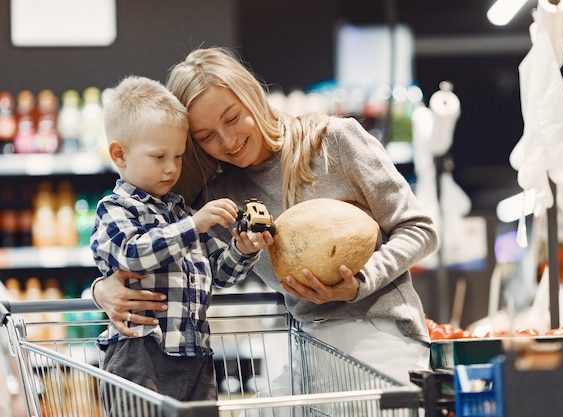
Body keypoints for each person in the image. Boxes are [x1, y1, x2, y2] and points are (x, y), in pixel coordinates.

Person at [92, 47, 438, 385]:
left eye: (232, 118)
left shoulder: (335, 141)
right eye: (206, 136)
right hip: (308, 341)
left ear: (253, 96)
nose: (228, 141)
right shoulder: (215, 195)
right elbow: (143, 242)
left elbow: (419, 229)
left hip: (379, 333)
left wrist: (358, 284)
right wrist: (101, 289)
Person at [90, 75, 273, 402]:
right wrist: (196, 225)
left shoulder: (181, 212)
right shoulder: (115, 209)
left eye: (178, 156)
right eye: (159, 157)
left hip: (195, 353)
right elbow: (133, 253)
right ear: (119, 155)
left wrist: (242, 249)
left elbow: (220, 274)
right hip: (141, 352)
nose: (172, 168)